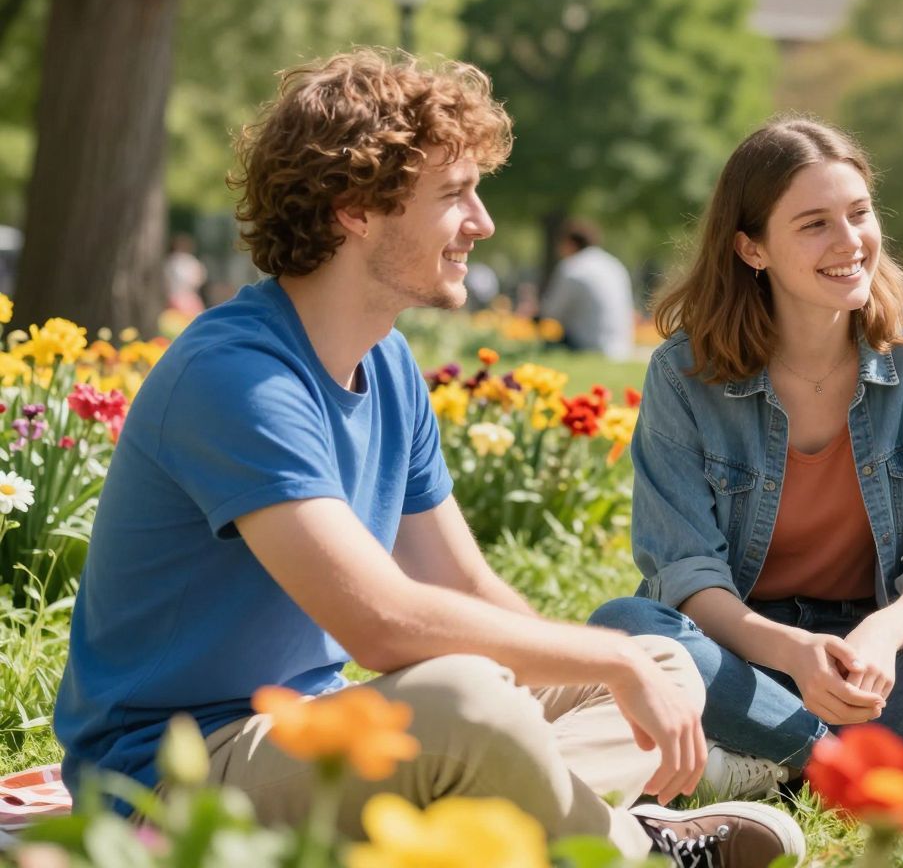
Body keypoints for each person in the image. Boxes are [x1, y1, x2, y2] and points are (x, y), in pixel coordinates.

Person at [54, 51, 798, 868]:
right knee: (476, 700)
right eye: (454, 195)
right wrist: (603, 661)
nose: (481, 222)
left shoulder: (387, 364)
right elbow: (379, 624)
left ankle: (515, 826)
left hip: (319, 730)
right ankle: (640, 852)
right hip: (171, 779)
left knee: (663, 664)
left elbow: (464, 588)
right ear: (355, 209)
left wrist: (621, 667)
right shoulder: (238, 377)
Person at [586, 117, 903, 806]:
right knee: (625, 629)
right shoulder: (684, 375)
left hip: (882, 660)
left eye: (859, 214)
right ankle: (860, 763)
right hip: (743, 657)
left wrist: (879, 637)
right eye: (814, 224)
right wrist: (791, 651)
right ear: (752, 248)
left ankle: (775, 759)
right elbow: (684, 574)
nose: (850, 242)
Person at [541, 218, 638, 360]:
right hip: (622, 347)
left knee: (546, 343)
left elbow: (551, 312)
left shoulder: (572, 267)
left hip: (587, 345)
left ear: (569, 243)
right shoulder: (613, 264)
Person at [164, 232, 208, 319]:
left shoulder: (171, 261)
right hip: (183, 296)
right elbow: (199, 278)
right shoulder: (187, 261)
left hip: (179, 296)